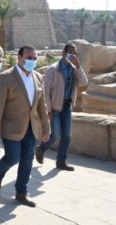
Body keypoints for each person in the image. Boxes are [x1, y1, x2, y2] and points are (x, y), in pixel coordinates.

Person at [0, 45, 51, 208]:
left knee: (27, 160)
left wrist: (47, 127)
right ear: (19, 58)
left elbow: (42, 105)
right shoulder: (6, 77)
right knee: (13, 157)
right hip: (10, 127)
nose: (32, 60)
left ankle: (21, 193)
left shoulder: (38, 77)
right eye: (29, 57)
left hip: (32, 127)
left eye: (34, 58)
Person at [36, 43, 88, 171]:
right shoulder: (53, 69)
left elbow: (84, 83)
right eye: (70, 52)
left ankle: (61, 162)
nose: (73, 55)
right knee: (55, 134)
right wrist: (48, 110)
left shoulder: (74, 68)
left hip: (67, 106)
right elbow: (45, 91)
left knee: (67, 135)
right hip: (55, 108)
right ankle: (41, 148)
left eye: (74, 53)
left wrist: (78, 66)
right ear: (63, 53)